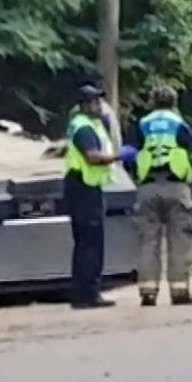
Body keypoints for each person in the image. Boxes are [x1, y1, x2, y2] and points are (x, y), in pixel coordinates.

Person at [64, 84, 137, 309]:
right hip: (83, 188)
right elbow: (93, 158)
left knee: (88, 242)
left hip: (88, 186)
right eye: (95, 102)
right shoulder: (83, 128)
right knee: (90, 243)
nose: (100, 106)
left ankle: (84, 292)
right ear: (85, 105)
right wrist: (118, 156)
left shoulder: (92, 124)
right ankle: (88, 294)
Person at [130, 86, 192, 307]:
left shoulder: (142, 124)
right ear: (174, 103)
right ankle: (179, 291)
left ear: (152, 101)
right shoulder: (179, 123)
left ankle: (148, 292)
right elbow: (190, 144)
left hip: (148, 187)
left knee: (148, 241)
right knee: (180, 240)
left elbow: (133, 151)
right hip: (176, 186)